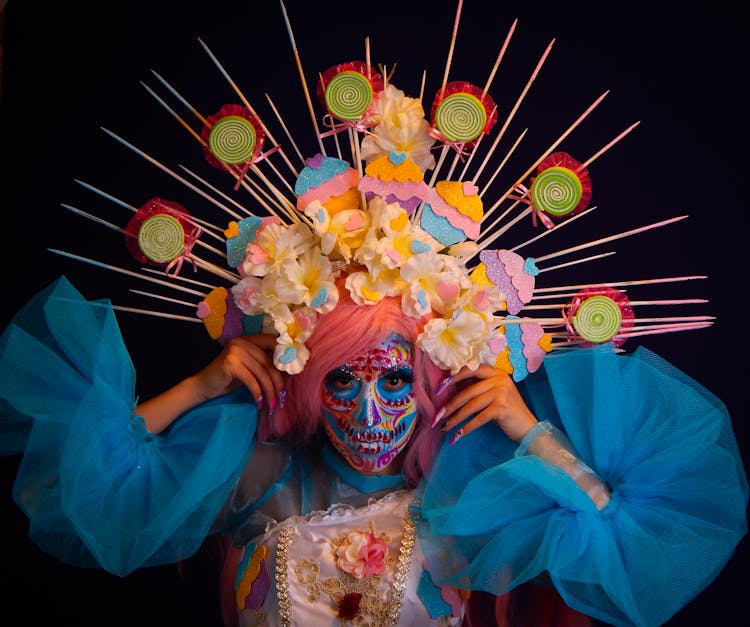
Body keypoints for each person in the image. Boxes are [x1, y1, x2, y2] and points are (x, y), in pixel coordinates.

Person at [0, 1, 747, 626]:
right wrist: (201, 386)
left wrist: (525, 426)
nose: (369, 407)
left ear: (427, 383)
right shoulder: (256, 475)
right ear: (302, 382)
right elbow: (81, 487)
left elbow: (633, 539)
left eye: (394, 382)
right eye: (339, 382)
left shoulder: (468, 493)